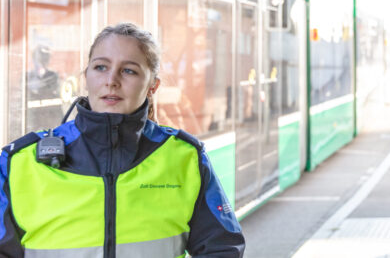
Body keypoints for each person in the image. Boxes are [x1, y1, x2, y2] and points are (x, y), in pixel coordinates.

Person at [0, 23, 245, 257]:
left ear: (152, 86)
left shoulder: (186, 158)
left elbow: (221, 247)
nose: (111, 81)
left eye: (129, 70)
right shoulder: (20, 161)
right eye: (100, 67)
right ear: (86, 76)